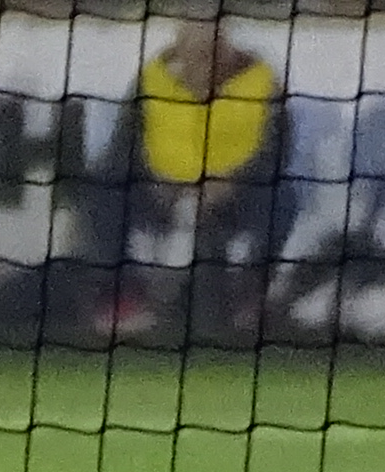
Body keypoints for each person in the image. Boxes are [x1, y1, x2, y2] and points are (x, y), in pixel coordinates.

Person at [92, 18, 284, 336]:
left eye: (213, 54)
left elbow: (276, 152)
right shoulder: (152, 80)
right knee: (105, 190)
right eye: (196, 55)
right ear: (180, 52)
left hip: (236, 195)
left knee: (281, 195)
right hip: (160, 194)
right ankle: (123, 294)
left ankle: (250, 296)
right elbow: (121, 150)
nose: (204, 65)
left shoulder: (263, 83)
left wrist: (232, 183)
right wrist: (157, 182)